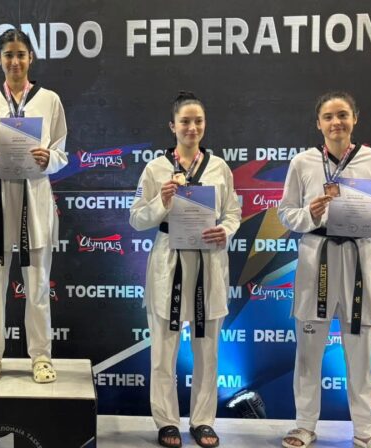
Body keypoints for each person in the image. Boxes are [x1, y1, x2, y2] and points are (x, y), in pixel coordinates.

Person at [279, 92, 371, 448]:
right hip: (316, 259)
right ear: (318, 123)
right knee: (308, 353)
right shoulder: (303, 162)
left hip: (359, 259)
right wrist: (310, 213)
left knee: (361, 352)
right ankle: (304, 425)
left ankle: (365, 430)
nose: (337, 122)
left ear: (355, 118)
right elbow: (286, 213)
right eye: (329, 117)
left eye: (343, 115)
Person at [129, 92, 241, 448]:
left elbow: (233, 212)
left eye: (198, 121)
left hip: (209, 262)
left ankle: (203, 420)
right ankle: (166, 422)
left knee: (207, 352)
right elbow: (136, 219)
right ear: (172, 126)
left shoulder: (219, 167)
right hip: (169, 261)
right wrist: (161, 201)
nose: (192, 128)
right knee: (163, 352)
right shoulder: (155, 169)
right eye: (185, 122)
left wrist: (225, 230)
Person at [0, 28, 68, 383]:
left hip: (33, 197)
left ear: (30, 58)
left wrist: (48, 158)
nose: (15, 61)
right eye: (8, 55)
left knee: (37, 285)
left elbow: (61, 152)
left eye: (20, 54)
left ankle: (40, 357)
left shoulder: (49, 101)